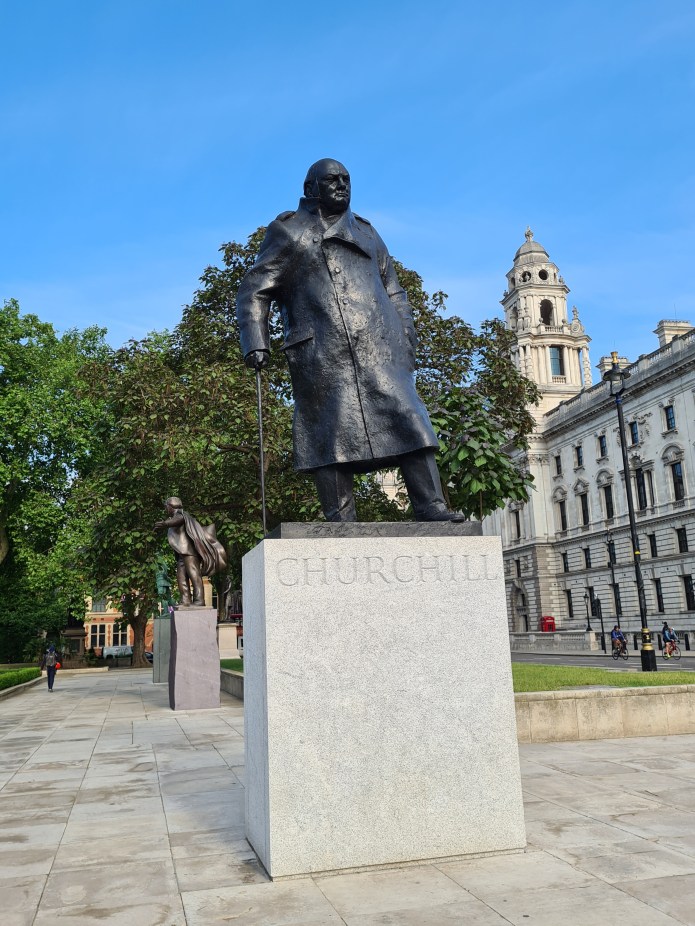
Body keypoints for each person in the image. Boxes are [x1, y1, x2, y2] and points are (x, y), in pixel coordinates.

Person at [236, 158, 463, 523]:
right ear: (311, 189)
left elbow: (395, 290)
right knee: (331, 430)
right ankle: (339, 517)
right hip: (322, 351)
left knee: (409, 419)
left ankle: (430, 506)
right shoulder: (288, 232)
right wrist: (255, 341)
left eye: (346, 179)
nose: (341, 185)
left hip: (380, 347)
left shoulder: (368, 233)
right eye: (331, 180)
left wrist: (406, 338)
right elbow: (254, 290)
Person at [154, 497, 227, 607]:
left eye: (166, 506)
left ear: (171, 506)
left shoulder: (181, 514)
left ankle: (199, 600)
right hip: (182, 553)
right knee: (181, 576)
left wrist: (165, 524)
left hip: (189, 552)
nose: (166, 509)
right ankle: (186, 600)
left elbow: (178, 520)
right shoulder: (175, 516)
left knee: (194, 575)